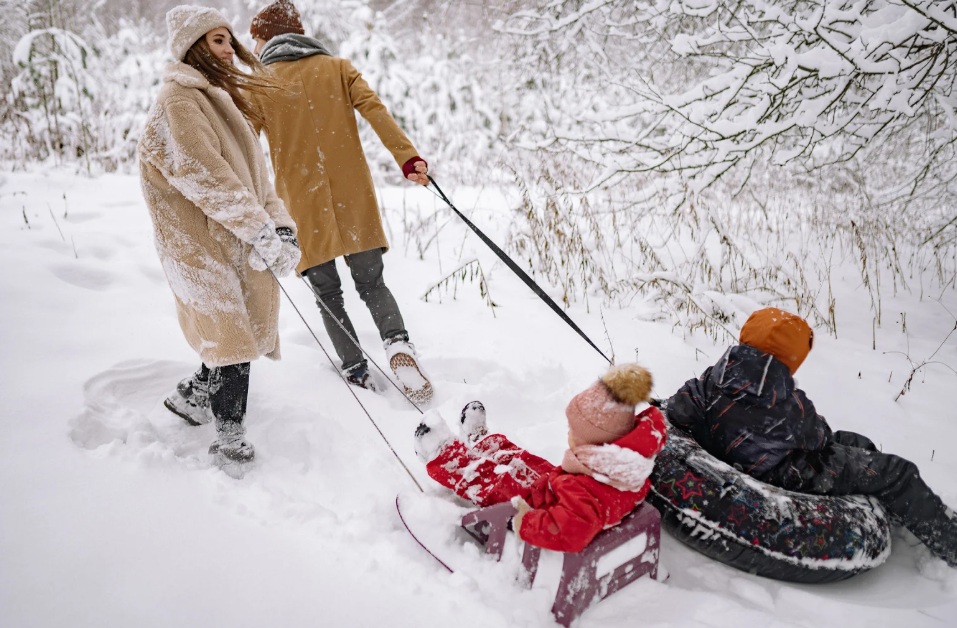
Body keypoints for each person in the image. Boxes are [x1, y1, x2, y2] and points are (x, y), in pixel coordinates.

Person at [663, 307, 957, 567]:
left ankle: (885, 505)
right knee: (895, 471)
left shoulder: (711, 378)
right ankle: (949, 541)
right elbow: (820, 438)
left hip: (740, 457)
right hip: (787, 474)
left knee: (851, 442)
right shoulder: (788, 403)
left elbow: (678, 408)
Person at [137, 5, 301, 465]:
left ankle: (192, 397)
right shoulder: (179, 102)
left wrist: (280, 229)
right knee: (232, 335)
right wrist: (259, 231)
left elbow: (257, 182)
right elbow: (209, 180)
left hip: (231, 235)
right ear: (193, 46)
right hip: (196, 244)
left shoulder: (221, 99)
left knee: (236, 328)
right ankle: (230, 438)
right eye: (217, 41)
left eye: (229, 40)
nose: (229, 49)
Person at [248, 0, 433, 401]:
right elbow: (376, 111)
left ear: (266, 38)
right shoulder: (338, 68)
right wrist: (409, 158)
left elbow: (244, 146)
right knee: (372, 282)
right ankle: (398, 343)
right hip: (353, 198)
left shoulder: (261, 83)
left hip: (303, 207)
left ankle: (355, 370)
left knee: (328, 295)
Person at [413, 364, 668, 553]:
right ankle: (482, 446)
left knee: (493, 482)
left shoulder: (587, 492)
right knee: (521, 460)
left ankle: (446, 456)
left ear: (597, 444)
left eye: (574, 433)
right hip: (557, 489)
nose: (569, 434)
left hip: (540, 508)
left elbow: (569, 531)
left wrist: (525, 521)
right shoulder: (621, 467)